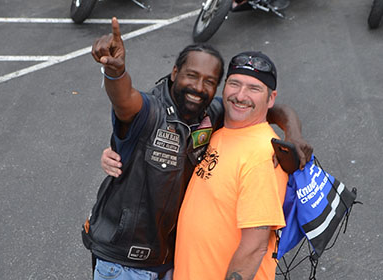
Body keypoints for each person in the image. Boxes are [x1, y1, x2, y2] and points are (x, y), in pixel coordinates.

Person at [86, 17, 312, 280]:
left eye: (209, 81)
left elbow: (255, 245)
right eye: (191, 75)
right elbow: (124, 100)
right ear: (174, 73)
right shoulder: (154, 113)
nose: (198, 87)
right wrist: (116, 73)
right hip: (126, 265)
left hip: (166, 264)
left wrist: (293, 133)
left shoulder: (225, 124)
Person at [173, 51, 288, 280]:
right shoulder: (219, 132)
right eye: (234, 84)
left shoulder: (262, 153)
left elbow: (255, 246)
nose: (240, 95)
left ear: (271, 98)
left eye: (254, 89)